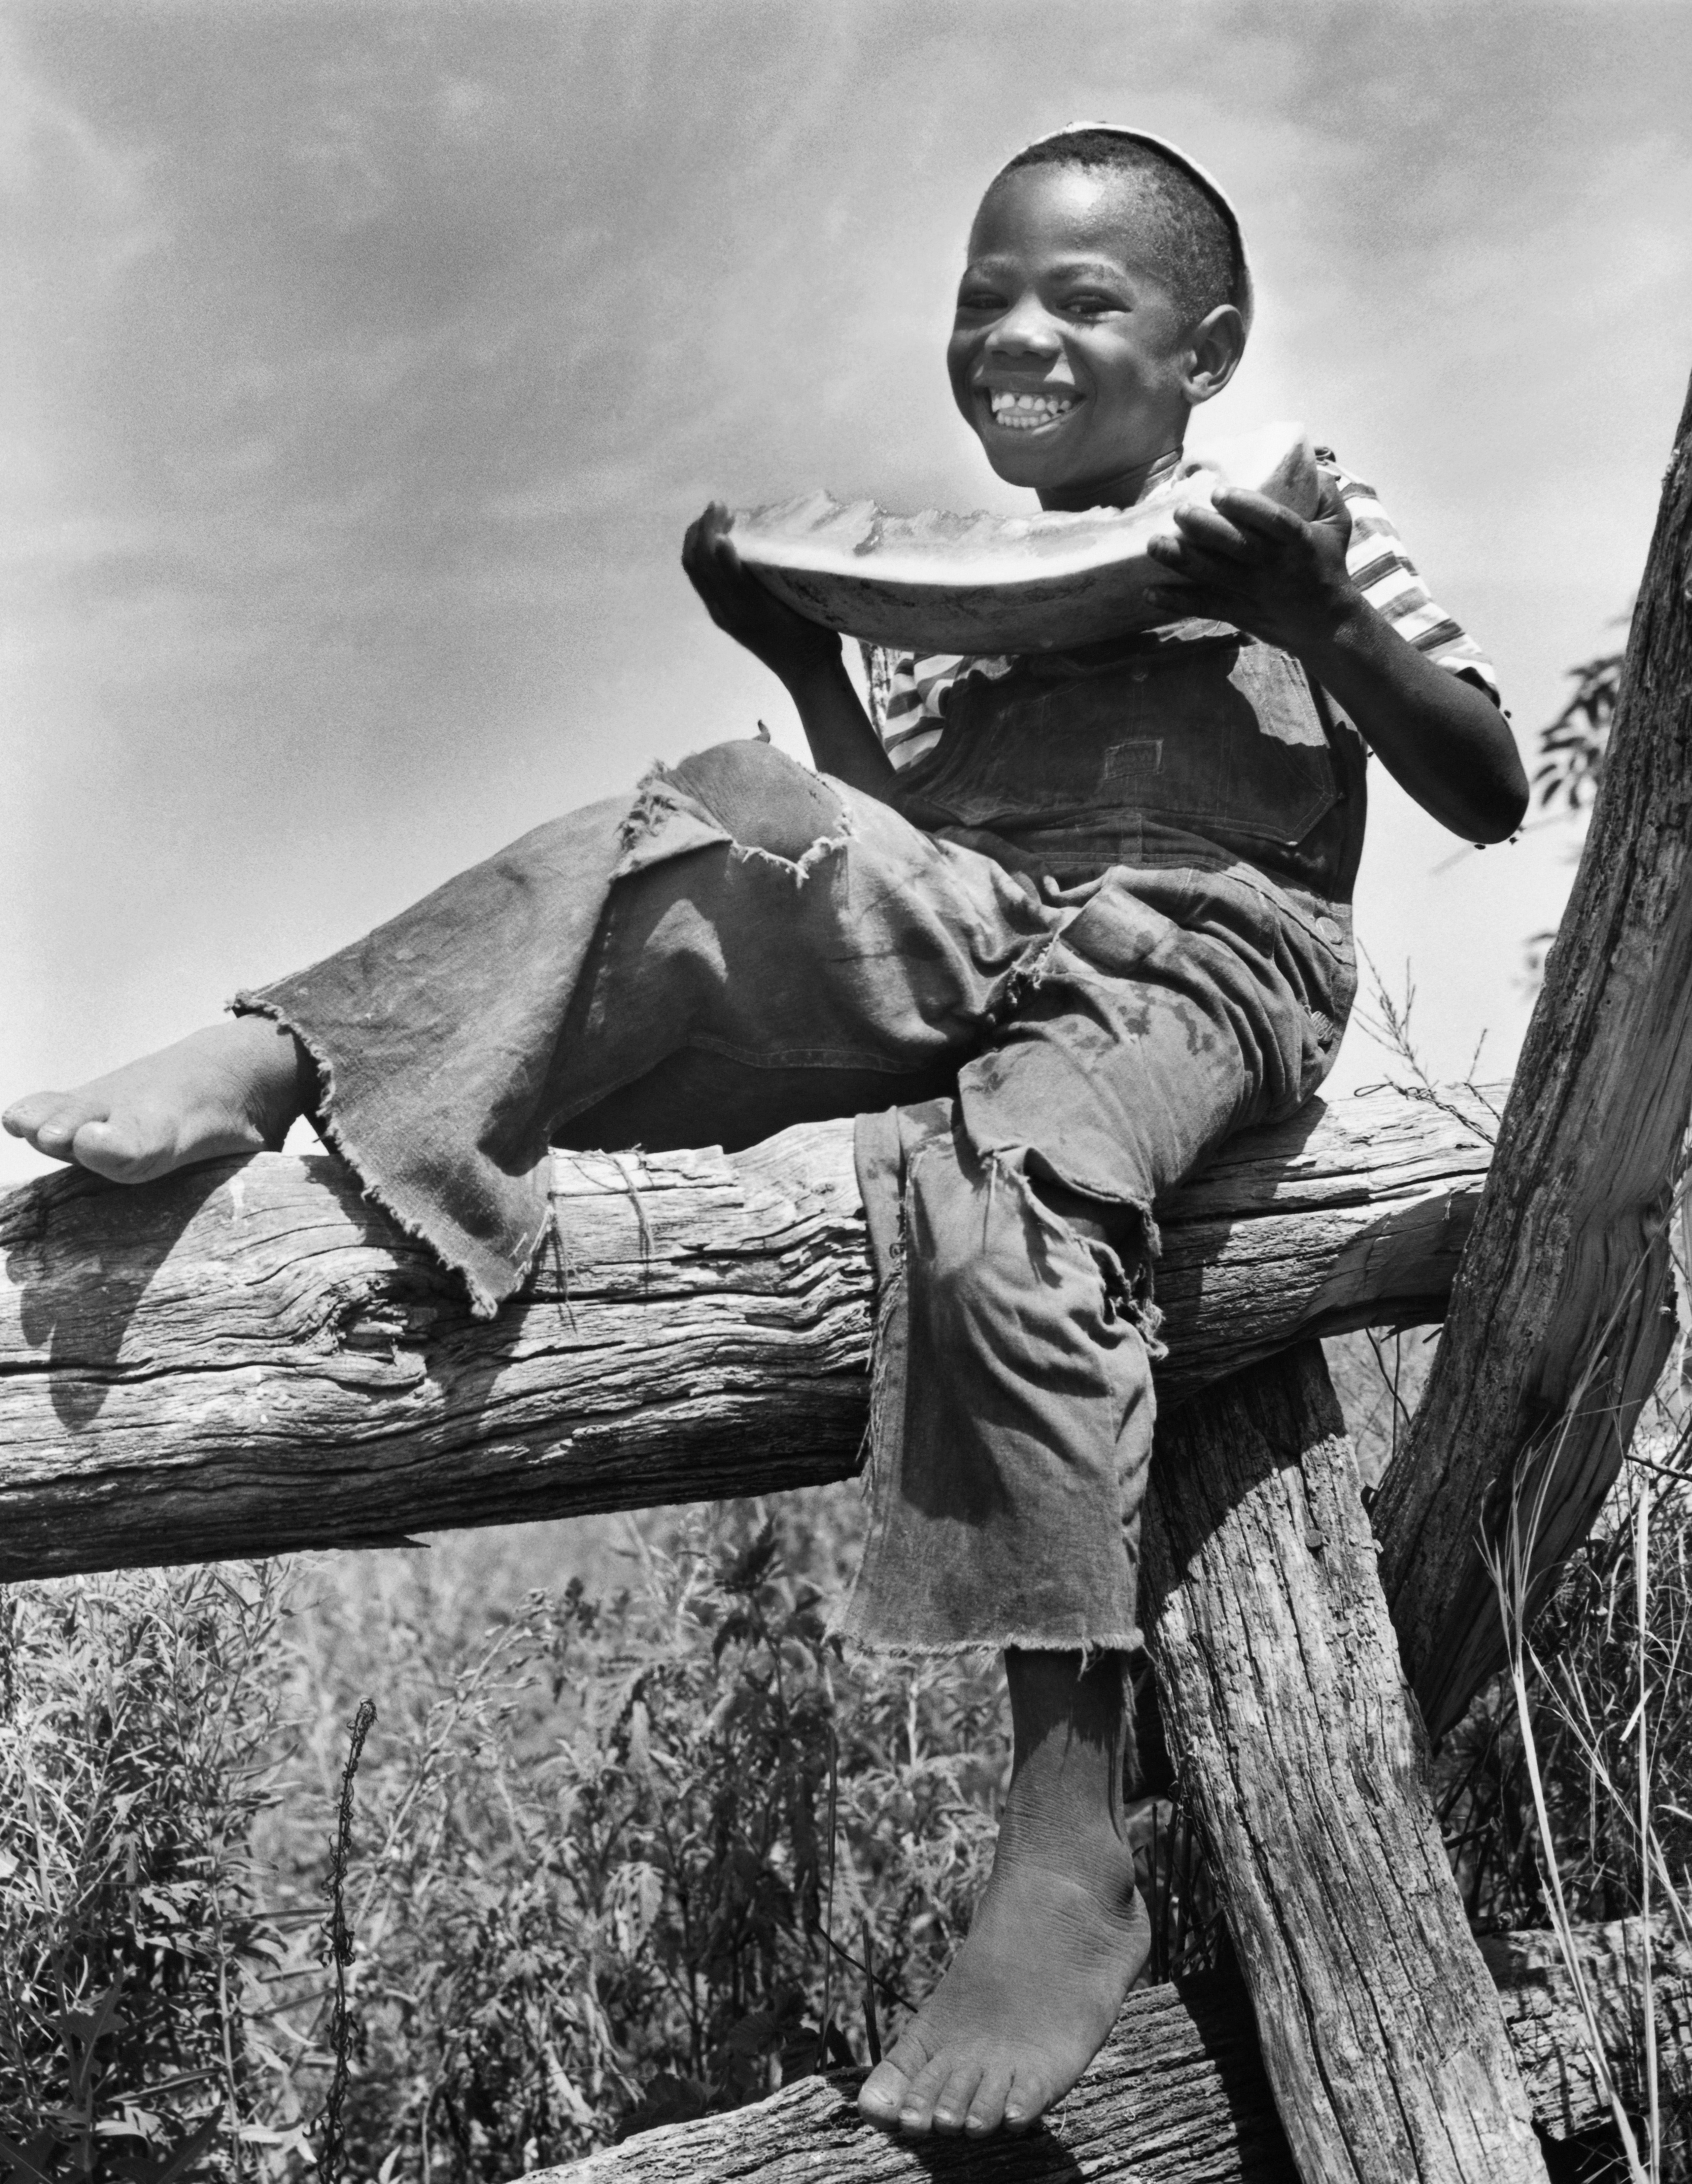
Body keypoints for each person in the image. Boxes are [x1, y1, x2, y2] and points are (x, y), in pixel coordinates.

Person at [4, 125, 1527, 2138]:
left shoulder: (1295, 510)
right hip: (981, 919)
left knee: (1006, 1191)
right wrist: (801, 655)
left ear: (1210, 347)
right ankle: (294, 1057)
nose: (1020, 334)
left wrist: (1327, 611)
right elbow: (885, 837)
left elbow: (1490, 780)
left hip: (1197, 961)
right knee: (712, 805)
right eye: (985, 297)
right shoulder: (934, 596)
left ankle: (1071, 1841)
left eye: (1088, 300)